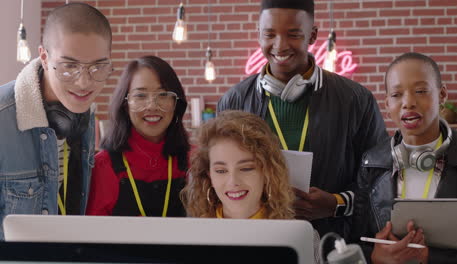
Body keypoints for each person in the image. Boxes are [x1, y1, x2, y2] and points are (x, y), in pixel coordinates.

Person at [217, 0, 387, 237]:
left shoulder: (356, 99)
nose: (280, 45)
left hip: (335, 242)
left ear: (313, 35)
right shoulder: (233, 101)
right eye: (270, 34)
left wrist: (337, 203)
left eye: (293, 34)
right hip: (258, 240)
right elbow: (218, 177)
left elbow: (382, 180)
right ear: (259, 35)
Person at [0, 3, 112, 239]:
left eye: (97, 67)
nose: (84, 83)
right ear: (43, 56)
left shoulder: (83, 114)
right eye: (69, 66)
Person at [352, 52, 457, 263]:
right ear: (387, 104)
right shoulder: (371, 163)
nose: (408, 103)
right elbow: (356, 239)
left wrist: (430, 258)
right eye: (396, 95)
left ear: (442, 95)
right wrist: (374, 257)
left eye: (421, 91)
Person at [180, 110, 320, 262]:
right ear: (209, 175)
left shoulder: (299, 237)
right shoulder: (193, 236)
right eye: (221, 171)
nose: (233, 181)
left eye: (246, 168)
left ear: (267, 171)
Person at [86, 56, 190, 217]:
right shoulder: (103, 166)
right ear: (125, 105)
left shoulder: (195, 162)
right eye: (140, 96)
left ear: (176, 103)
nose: (152, 106)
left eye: (163, 95)